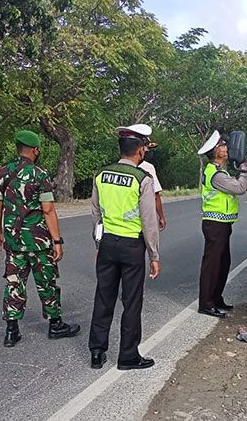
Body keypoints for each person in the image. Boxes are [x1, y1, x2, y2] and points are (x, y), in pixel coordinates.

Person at [0, 130, 80, 347]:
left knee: (14, 283)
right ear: (35, 150)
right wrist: (57, 241)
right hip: (39, 241)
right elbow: (48, 210)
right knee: (46, 282)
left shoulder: (2, 174)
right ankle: (55, 325)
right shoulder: (40, 175)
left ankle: (11, 331)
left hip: (13, 241)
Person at [88, 129, 161, 370]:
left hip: (107, 244)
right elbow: (149, 221)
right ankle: (128, 356)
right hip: (131, 246)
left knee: (103, 297)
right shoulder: (142, 178)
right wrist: (154, 255)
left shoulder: (100, 174)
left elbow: (96, 213)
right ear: (140, 150)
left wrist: (99, 243)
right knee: (131, 302)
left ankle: (97, 351)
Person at [196, 130, 247, 318]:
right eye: (224, 146)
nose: (228, 149)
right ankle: (206, 303)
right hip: (214, 224)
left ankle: (216, 298)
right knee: (212, 265)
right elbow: (240, 187)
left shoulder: (222, 172)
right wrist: (244, 166)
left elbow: (242, 184)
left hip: (222, 224)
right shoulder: (216, 174)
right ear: (217, 151)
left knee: (222, 263)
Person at [115, 124, 167, 231]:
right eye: (147, 148)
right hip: (135, 229)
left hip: (113, 228)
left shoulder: (112, 170)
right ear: (141, 149)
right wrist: (161, 216)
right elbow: (155, 196)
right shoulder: (148, 169)